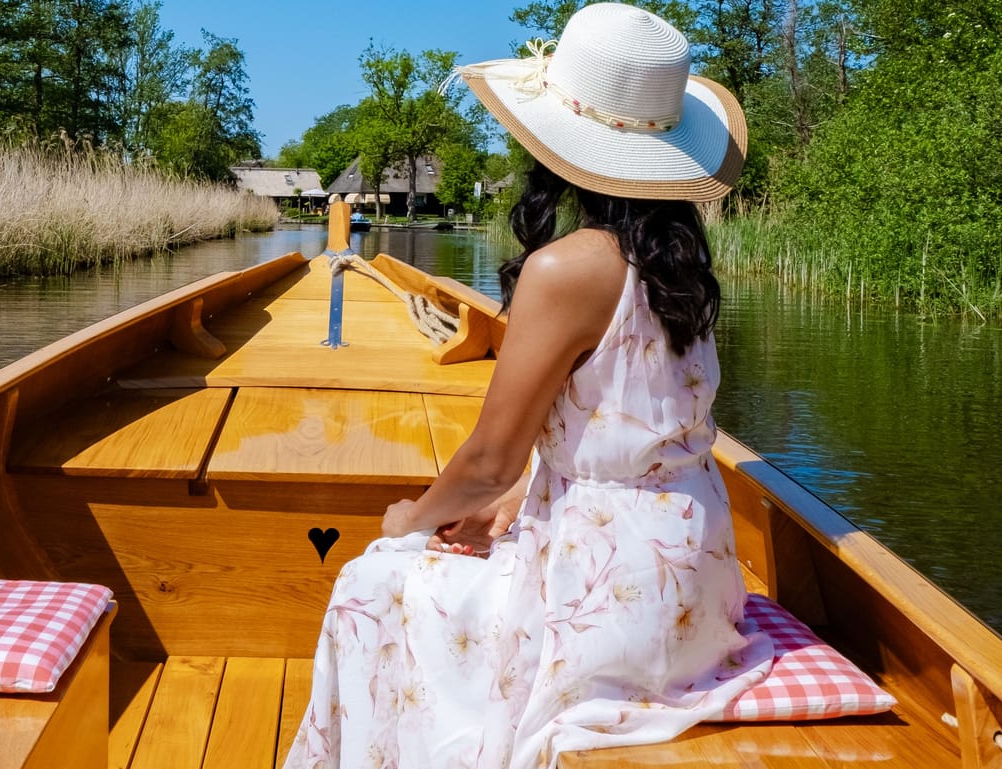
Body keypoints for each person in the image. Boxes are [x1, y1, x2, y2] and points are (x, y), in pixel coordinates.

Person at [282, 4, 775, 768]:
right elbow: (624, 432)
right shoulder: (685, 268)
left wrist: (408, 517)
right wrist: (518, 508)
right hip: (699, 577)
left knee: (366, 581)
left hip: (608, 594)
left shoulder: (566, 268)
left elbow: (488, 463)